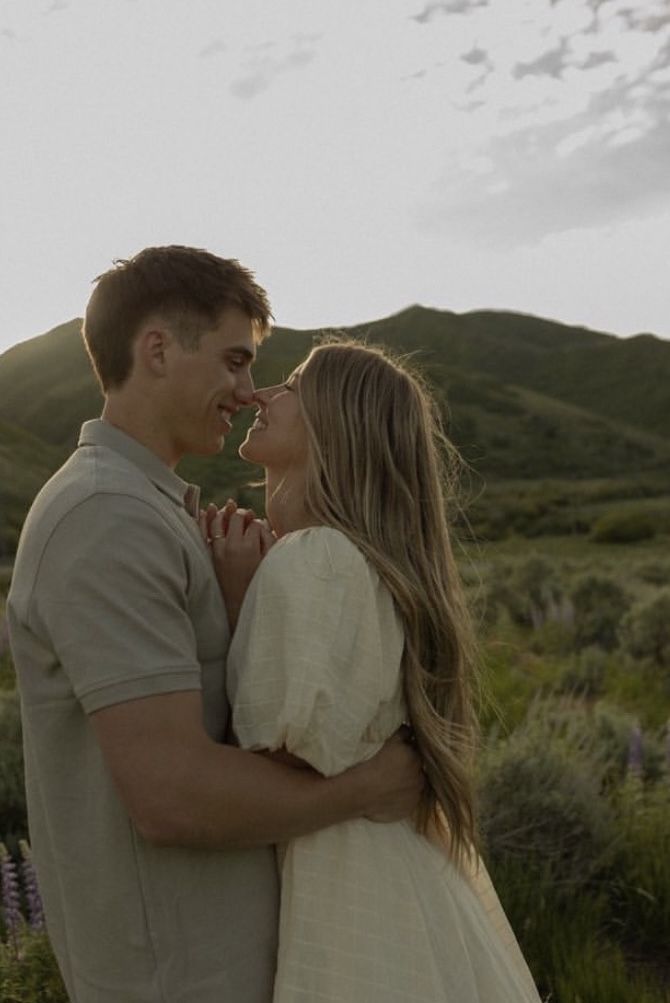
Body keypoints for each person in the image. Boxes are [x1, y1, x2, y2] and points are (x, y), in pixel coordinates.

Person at [6, 246, 424, 1003]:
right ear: (157, 349)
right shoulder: (106, 516)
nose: (247, 389)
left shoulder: (152, 509)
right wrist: (367, 786)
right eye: (234, 361)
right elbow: (170, 793)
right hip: (178, 971)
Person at [209, 339, 543, 1002]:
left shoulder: (318, 560)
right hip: (395, 886)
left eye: (296, 385)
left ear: (338, 425)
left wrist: (243, 603)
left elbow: (289, 754)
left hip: (348, 897)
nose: (262, 394)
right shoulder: (351, 560)